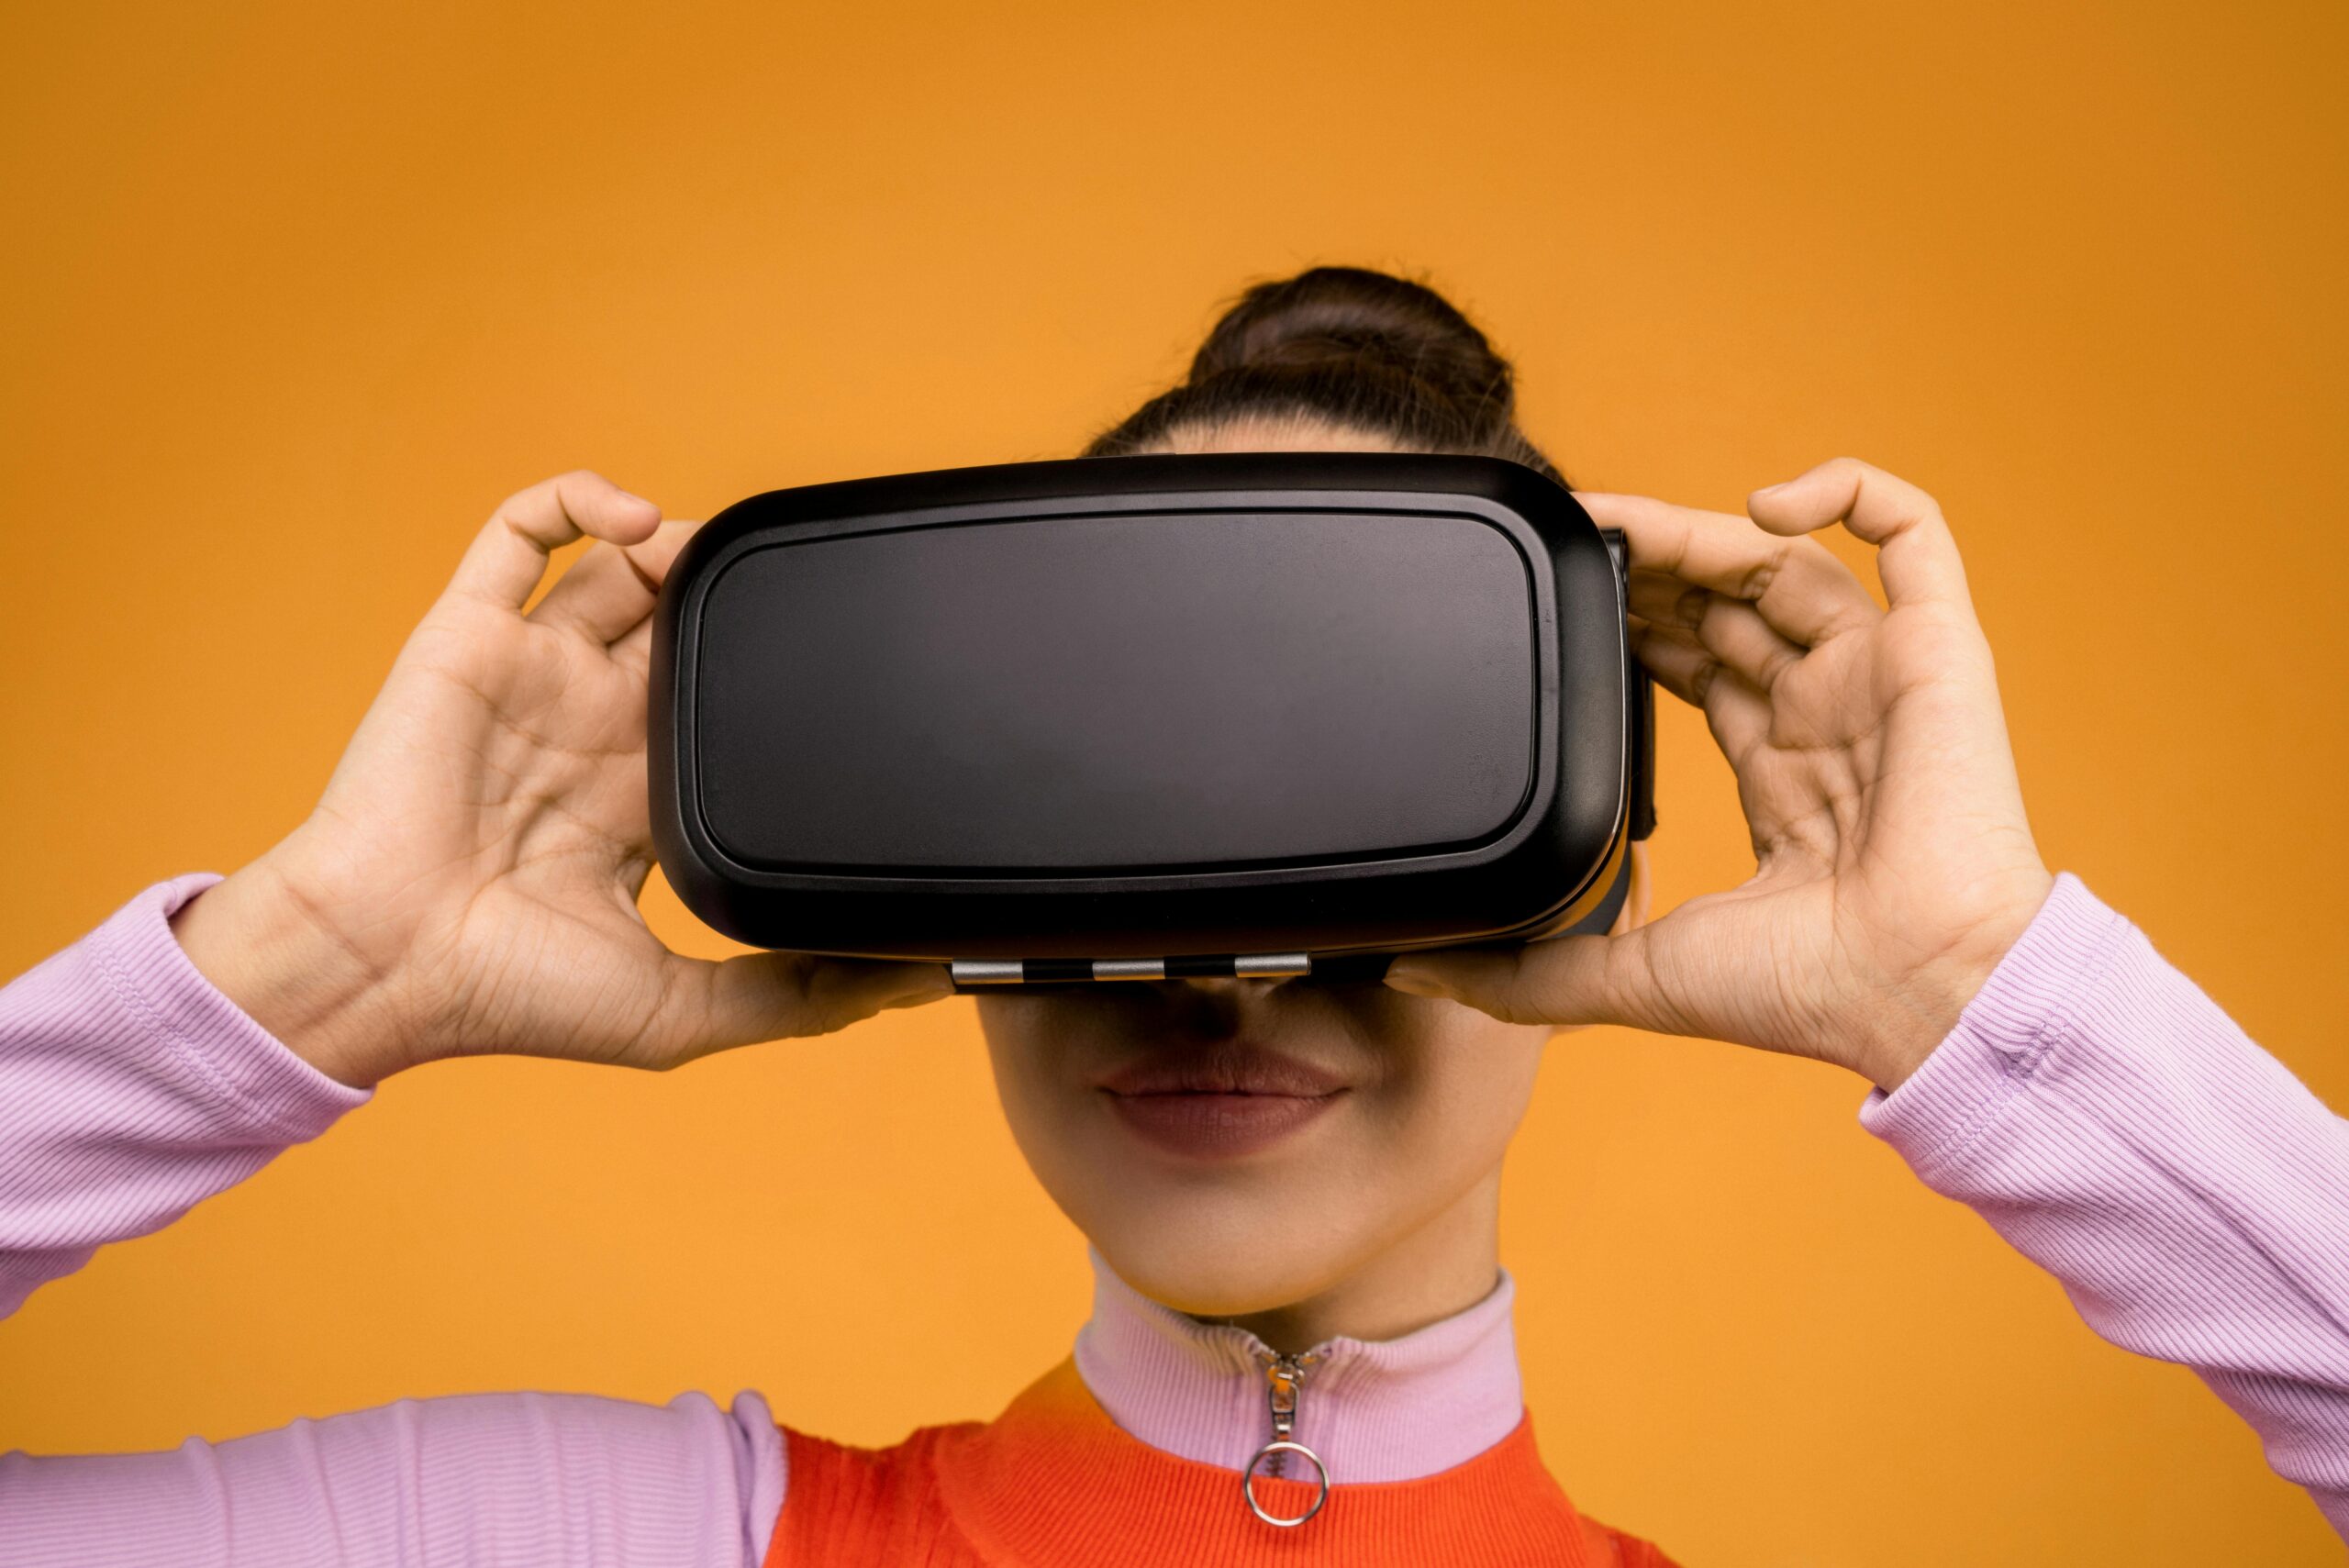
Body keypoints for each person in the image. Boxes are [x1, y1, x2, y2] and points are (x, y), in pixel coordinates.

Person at [2, 267, 2343, 1565]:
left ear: (1595, 850)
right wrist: (309, 971)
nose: (1221, 958)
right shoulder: (581, 1543)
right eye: (1115, 805)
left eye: (1344, 802)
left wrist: (1973, 996)